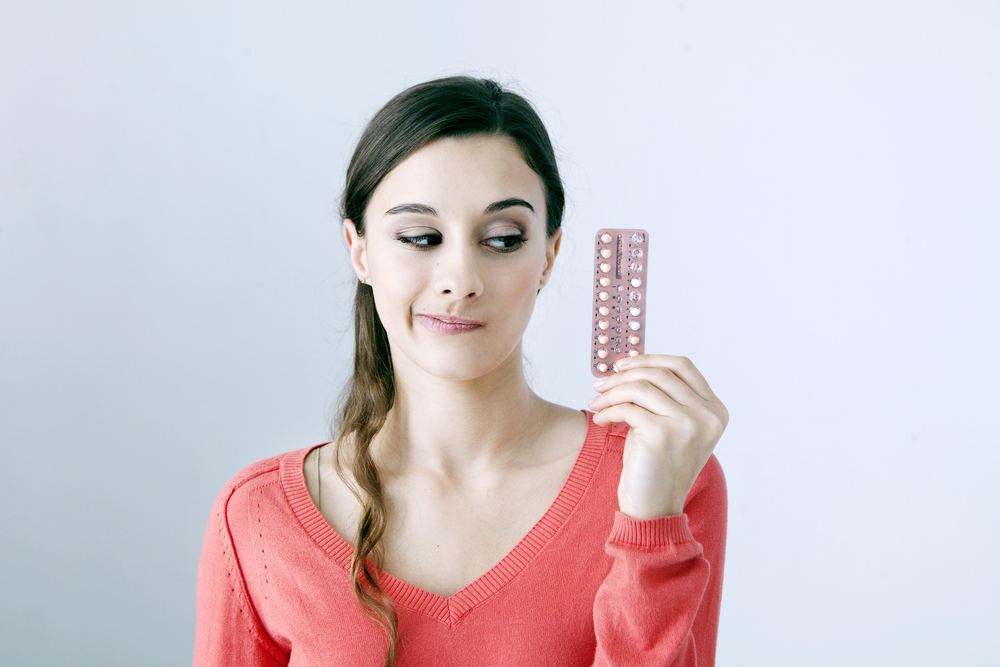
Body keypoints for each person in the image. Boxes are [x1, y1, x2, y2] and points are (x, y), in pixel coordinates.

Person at [193, 76, 729, 667]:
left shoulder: (667, 477)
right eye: (420, 237)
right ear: (360, 250)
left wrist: (650, 526)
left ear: (548, 255)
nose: (460, 279)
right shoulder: (259, 518)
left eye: (502, 240)